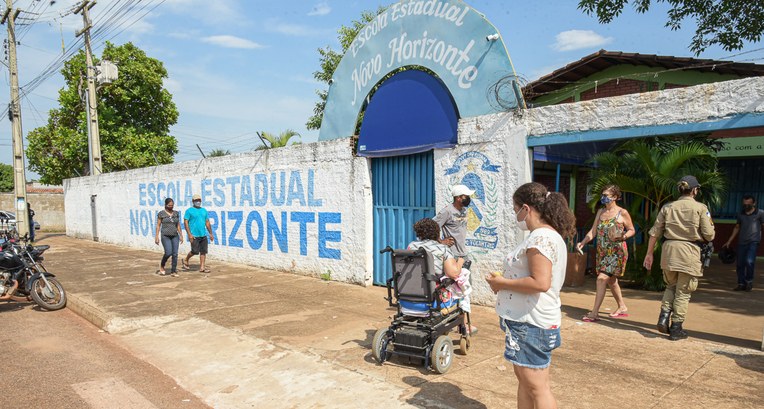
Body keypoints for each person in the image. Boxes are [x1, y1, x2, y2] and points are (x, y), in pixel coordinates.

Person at [485, 182, 576, 409]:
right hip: (528, 322)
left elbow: (540, 282)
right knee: (526, 383)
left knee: (537, 387)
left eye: (515, 208)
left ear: (526, 208)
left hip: (531, 323)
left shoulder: (541, 238)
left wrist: (501, 283)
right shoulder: (545, 236)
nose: (515, 213)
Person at [643, 175, 715, 341]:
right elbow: (709, 234)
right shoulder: (701, 208)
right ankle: (676, 328)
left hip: (669, 251)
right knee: (683, 291)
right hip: (689, 252)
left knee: (670, 286)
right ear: (695, 190)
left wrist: (649, 253)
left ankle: (663, 317)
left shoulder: (667, 207)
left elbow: (655, 232)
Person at [576, 185, 635, 321]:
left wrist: (623, 236)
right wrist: (583, 242)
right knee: (612, 280)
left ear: (614, 197)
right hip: (602, 252)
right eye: (603, 195)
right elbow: (593, 231)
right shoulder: (600, 212)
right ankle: (622, 307)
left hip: (616, 251)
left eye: (606, 195)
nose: (604, 198)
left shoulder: (622, 212)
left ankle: (594, 313)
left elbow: (631, 229)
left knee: (602, 279)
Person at [407, 218, 470, 313]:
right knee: (461, 285)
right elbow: (453, 274)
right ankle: (464, 325)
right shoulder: (443, 249)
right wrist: (460, 262)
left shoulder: (411, 246)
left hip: (409, 296)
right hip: (435, 298)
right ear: (437, 233)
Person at [722, 194, 764, 292]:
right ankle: (741, 283)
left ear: (754, 203)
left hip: (753, 241)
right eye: (744, 204)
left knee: (749, 261)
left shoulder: (760, 213)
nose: (746, 206)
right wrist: (729, 241)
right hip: (742, 242)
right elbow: (737, 227)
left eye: (748, 204)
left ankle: (749, 281)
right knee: (740, 263)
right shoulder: (740, 214)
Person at [434, 184, 474, 262]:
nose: (468, 198)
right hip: (452, 253)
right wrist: (441, 241)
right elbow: (432, 226)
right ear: (458, 198)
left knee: (467, 274)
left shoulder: (464, 210)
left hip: (463, 253)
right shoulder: (447, 211)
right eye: (466, 196)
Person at [182, 194, 215, 273]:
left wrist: (210, 233)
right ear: (193, 201)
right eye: (196, 200)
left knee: (203, 251)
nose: (198, 202)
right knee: (195, 251)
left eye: (199, 200)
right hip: (194, 235)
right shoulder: (189, 211)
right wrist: (189, 234)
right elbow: (185, 222)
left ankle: (202, 267)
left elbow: (207, 222)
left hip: (203, 234)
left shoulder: (204, 210)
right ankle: (186, 259)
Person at [154, 198, 183, 277]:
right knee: (168, 252)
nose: (171, 206)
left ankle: (173, 271)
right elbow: (158, 225)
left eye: (172, 205)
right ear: (165, 205)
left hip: (175, 235)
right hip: (165, 235)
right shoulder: (161, 214)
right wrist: (156, 236)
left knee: (175, 254)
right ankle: (162, 265)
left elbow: (178, 225)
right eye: (169, 205)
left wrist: (181, 235)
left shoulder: (176, 213)